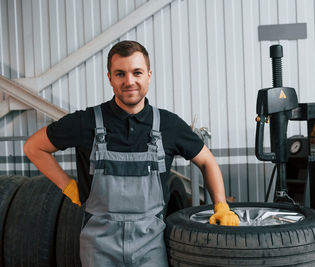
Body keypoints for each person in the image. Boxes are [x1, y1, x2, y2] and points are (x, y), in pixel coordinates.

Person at [24, 40, 239, 266]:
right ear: (110, 78)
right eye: (120, 74)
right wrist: (67, 186)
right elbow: (34, 147)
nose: (129, 81)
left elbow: (207, 161)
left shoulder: (169, 125)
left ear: (148, 74)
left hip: (150, 246)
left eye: (137, 72)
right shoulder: (85, 122)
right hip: (99, 247)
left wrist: (221, 206)